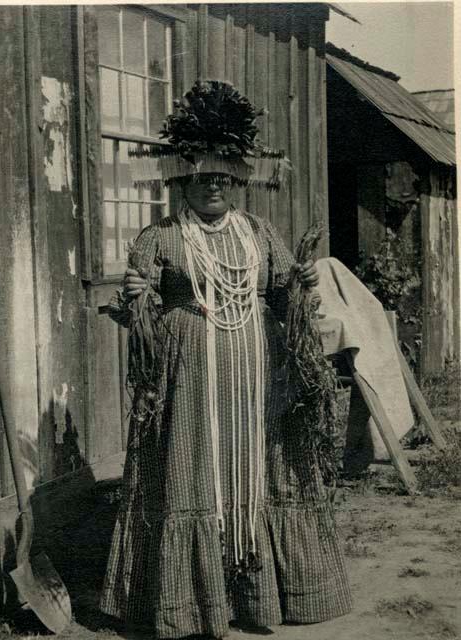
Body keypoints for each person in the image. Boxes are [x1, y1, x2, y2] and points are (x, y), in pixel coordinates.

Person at [100, 80, 352, 639]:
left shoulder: (260, 233)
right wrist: (136, 297)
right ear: (183, 182)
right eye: (201, 178)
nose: (212, 187)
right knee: (195, 473)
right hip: (190, 378)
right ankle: (192, 606)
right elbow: (133, 315)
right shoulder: (159, 238)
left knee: (263, 466)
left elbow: (287, 296)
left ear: (236, 182)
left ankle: (261, 595)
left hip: (258, 376)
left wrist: (301, 283)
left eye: (223, 178)